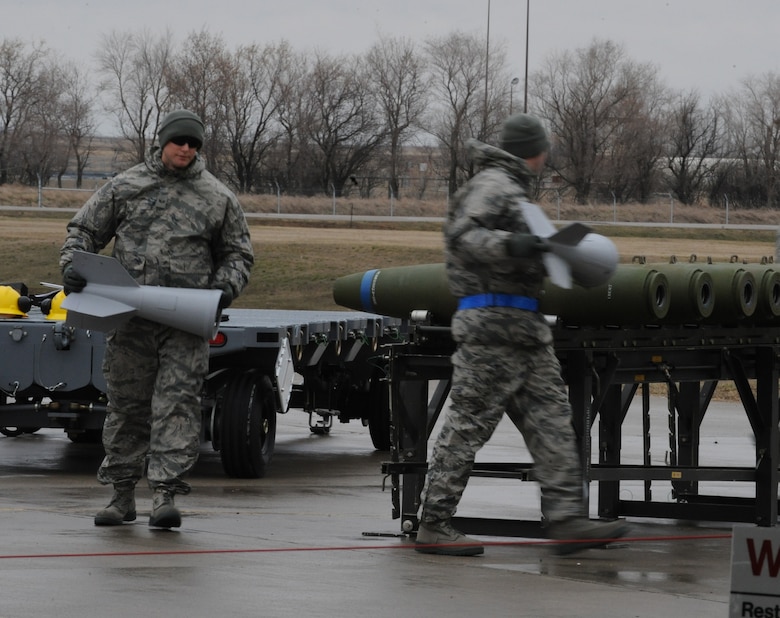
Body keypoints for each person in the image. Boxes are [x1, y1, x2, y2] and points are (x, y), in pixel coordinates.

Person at [414, 113, 629, 556]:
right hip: (492, 332)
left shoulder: (514, 192)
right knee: (468, 425)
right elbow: (463, 236)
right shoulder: (494, 184)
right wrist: (513, 245)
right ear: (537, 151)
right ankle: (434, 525)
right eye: (545, 150)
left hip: (526, 334)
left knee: (554, 422)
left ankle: (567, 520)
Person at [60, 109, 254, 529]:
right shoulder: (126, 186)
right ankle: (121, 496)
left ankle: (165, 495)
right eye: (179, 141)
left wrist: (224, 289)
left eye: (194, 144)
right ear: (162, 141)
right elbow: (83, 230)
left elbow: (238, 253)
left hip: (186, 323)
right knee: (127, 406)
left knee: (177, 406)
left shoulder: (216, 197)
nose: (186, 149)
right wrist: (73, 266)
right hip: (131, 321)